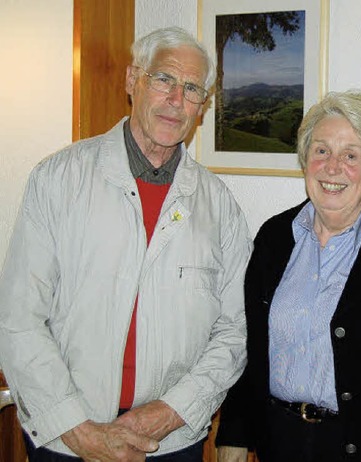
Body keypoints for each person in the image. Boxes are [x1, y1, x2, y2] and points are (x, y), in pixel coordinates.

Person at [0, 27, 252, 461]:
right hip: (66, 441)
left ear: (203, 107)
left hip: (170, 442)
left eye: (192, 89)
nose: (177, 99)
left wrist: (171, 411)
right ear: (132, 80)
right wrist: (78, 430)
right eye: (164, 79)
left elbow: (235, 332)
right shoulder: (58, 180)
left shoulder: (219, 206)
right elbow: (20, 317)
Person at [214, 90, 361, 462]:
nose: (332, 167)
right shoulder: (274, 239)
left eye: (351, 155)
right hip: (278, 444)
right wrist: (234, 433)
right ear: (305, 160)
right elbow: (251, 348)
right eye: (321, 150)